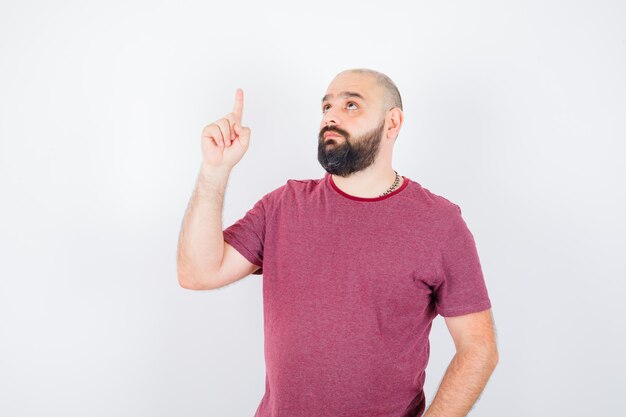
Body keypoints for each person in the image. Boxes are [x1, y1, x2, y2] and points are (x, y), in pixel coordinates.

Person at [177, 68, 499, 417]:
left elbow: (478, 347)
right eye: (326, 107)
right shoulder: (283, 206)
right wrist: (214, 170)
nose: (330, 116)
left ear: (392, 123)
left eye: (351, 105)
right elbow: (198, 273)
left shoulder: (439, 223)